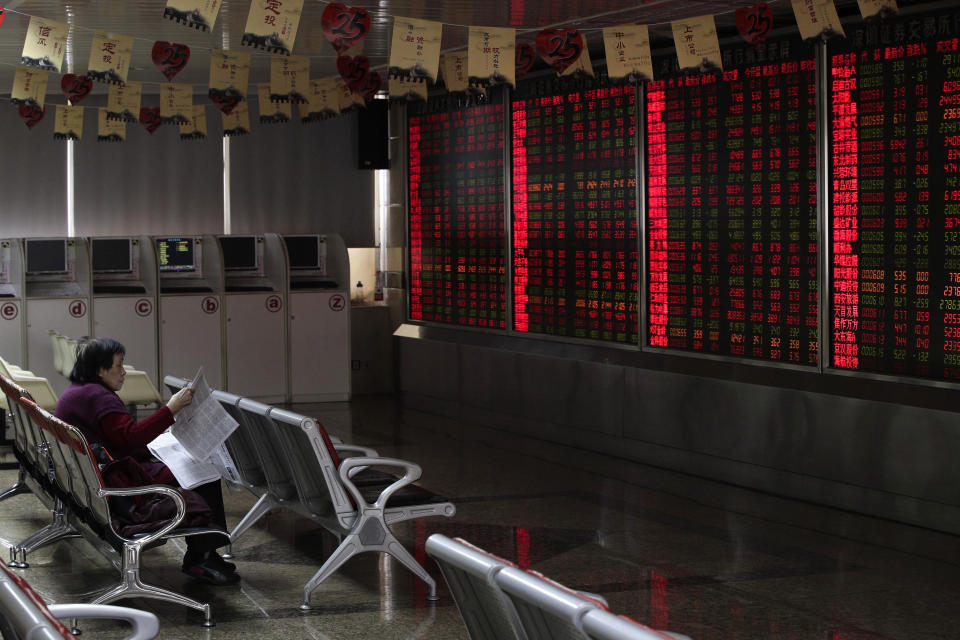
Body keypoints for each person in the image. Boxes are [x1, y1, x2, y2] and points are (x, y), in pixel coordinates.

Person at [54, 337, 239, 586]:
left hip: (100, 476)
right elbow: (131, 438)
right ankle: (202, 557)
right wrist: (170, 409)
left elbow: (121, 435)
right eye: (118, 366)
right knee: (204, 475)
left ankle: (206, 554)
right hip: (119, 484)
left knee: (190, 465)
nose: (123, 372)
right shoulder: (99, 397)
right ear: (100, 370)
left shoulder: (78, 391)